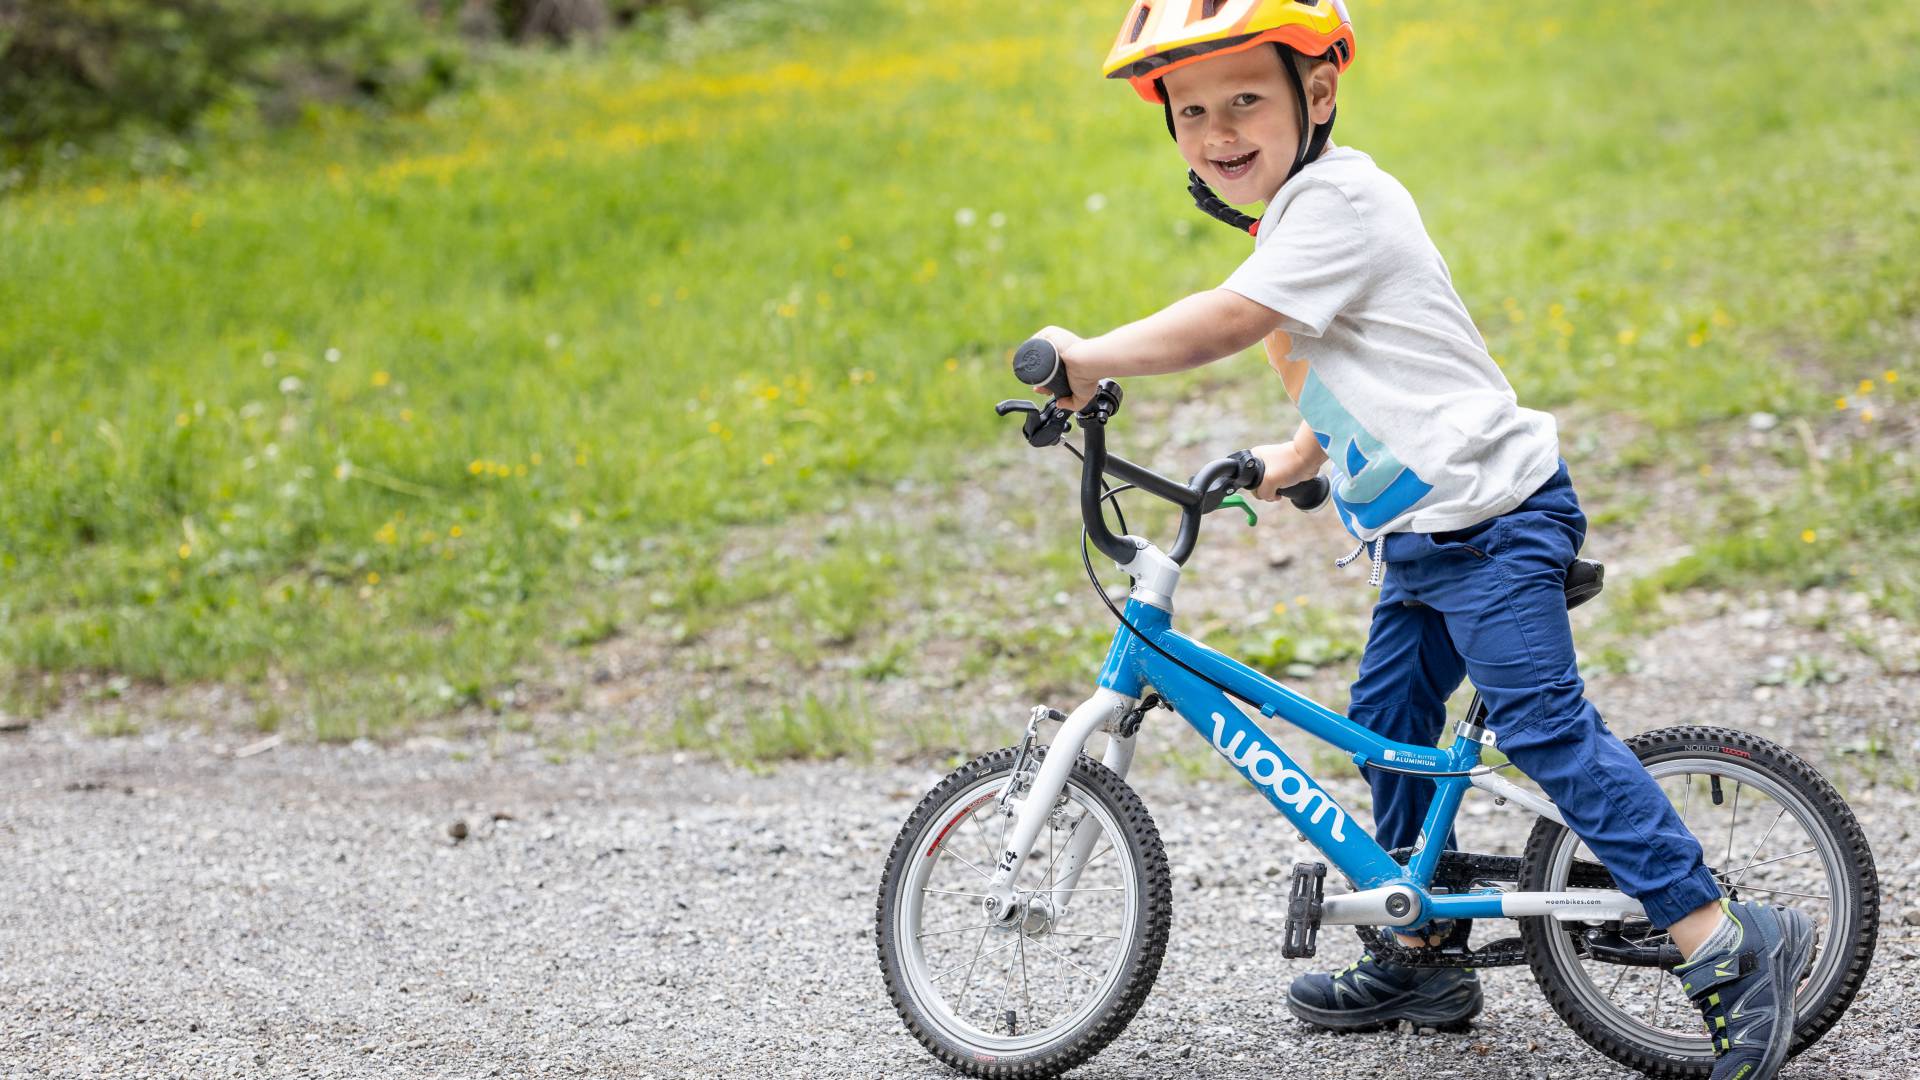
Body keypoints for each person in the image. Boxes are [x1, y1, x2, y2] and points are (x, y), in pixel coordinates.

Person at [1026, 4, 1813, 1078]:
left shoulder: (1342, 199)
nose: (1218, 128)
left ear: (1320, 94)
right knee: (1386, 723)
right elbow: (1363, 368)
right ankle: (1420, 948)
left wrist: (1085, 355)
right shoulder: (1294, 222)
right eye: (1192, 109)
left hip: (1496, 523)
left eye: (1246, 98)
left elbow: (1228, 320)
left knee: (1543, 731)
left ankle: (1720, 939)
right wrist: (1291, 461)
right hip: (1428, 541)